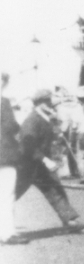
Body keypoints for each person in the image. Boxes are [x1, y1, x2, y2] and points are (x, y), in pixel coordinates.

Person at [16, 90, 81, 231]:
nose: (51, 104)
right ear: (39, 103)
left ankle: (69, 220)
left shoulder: (46, 118)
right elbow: (28, 144)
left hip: (39, 164)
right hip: (26, 164)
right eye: (47, 101)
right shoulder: (32, 120)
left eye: (50, 101)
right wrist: (45, 160)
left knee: (54, 188)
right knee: (12, 193)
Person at [0, 73, 28, 245]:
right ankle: (7, 233)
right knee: (6, 195)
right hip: (4, 155)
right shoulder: (3, 102)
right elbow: (10, 126)